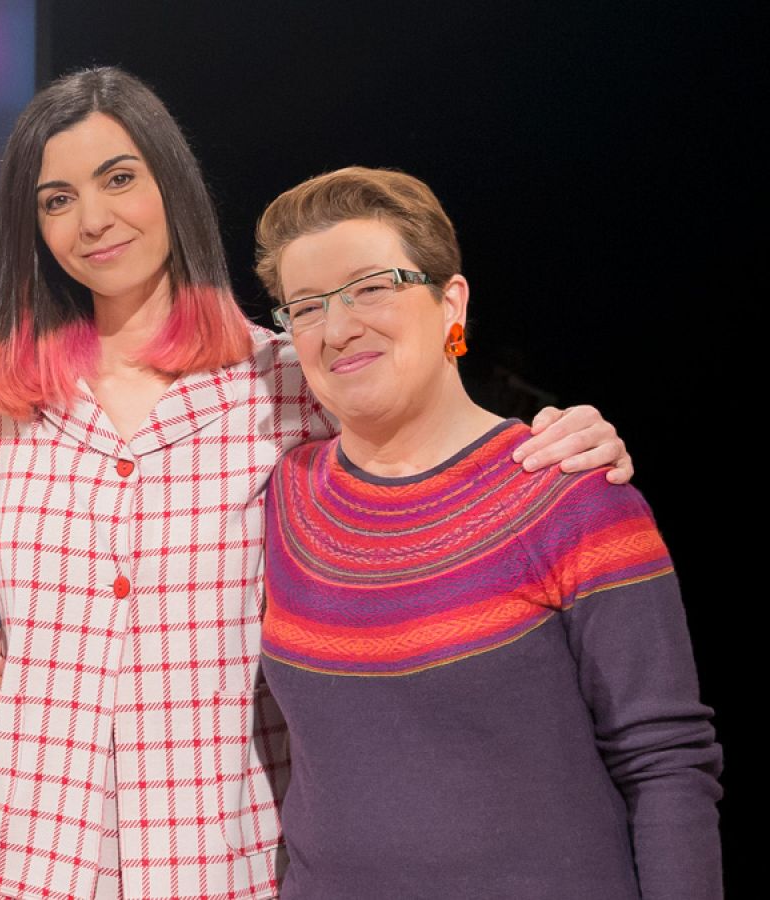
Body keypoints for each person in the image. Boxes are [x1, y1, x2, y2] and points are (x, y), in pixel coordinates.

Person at [0, 67, 634, 900]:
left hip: (225, 861)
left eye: (119, 178)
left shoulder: (288, 380)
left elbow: (428, 460)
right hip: (25, 861)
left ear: (172, 181)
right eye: (55, 199)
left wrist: (555, 439)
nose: (92, 219)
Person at [254, 166, 721, 898]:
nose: (338, 327)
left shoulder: (570, 492)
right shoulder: (284, 498)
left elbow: (666, 764)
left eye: (371, 286)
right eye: (306, 306)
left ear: (452, 303)